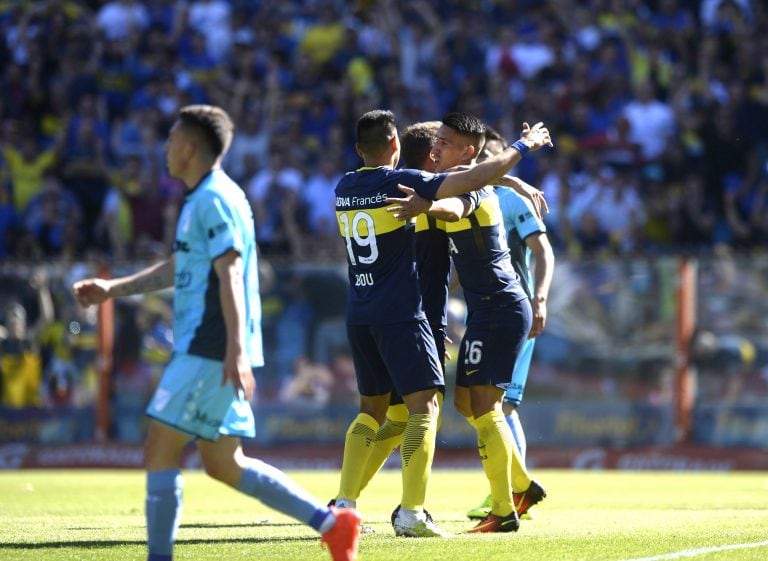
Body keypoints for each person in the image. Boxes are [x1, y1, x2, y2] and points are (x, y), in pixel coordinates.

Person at [71, 104, 361, 561]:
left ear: (188, 147)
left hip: (209, 347)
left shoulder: (212, 199)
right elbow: (185, 264)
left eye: (170, 140)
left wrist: (235, 350)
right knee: (224, 464)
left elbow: (230, 271)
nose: (164, 149)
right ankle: (332, 525)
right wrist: (114, 289)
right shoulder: (205, 197)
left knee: (159, 449)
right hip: (211, 345)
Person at [332, 109, 551, 538]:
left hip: (371, 314)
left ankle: (346, 503)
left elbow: (469, 185)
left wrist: (506, 180)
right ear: (425, 163)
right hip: (410, 317)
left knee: (397, 413)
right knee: (426, 411)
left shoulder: (351, 186)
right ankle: (415, 509)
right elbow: (465, 188)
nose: (441, 153)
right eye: (438, 148)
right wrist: (517, 159)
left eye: (446, 145)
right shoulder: (415, 194)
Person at [465, 126, 555, 521]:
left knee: (504, 405)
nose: (486, 164)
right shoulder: (471, 194)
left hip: (515, 311)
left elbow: (543, 250)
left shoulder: (510, 200)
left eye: (494, 156)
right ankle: (515, 487)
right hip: (484, 313)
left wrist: (540, 298)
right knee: (474, 403)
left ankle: (511, 495)